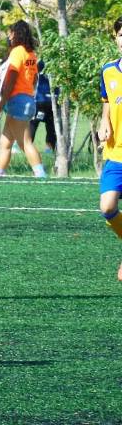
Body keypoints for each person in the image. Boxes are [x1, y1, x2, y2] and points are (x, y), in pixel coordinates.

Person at [0, 20, 47, 178]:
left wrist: (1, 102)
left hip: (17, 101)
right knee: (6, 142)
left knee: (25, 142)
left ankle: (41, 175)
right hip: (27, 100)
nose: (9, 36)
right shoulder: (31, 54)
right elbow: (35, 78)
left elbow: (11, 77)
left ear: (17, 33)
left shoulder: (17, 52)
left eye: (11, 33)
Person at [96, 16, 122, 281]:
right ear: (116, 38)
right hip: (115, 154)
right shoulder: (108, 71)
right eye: (121, 34)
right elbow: (107, 106)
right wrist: (105, 124)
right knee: (107, 206)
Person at [28, 60, 57, 152]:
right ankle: (49, 148)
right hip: (53, 100)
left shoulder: (41, 63)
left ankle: (27, 145)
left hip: (42, 100)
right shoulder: (57, 62)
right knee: (50, 125)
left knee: (34, 123)